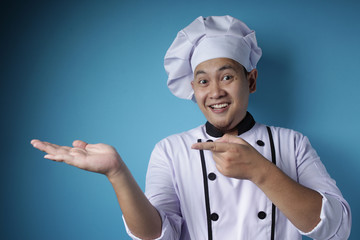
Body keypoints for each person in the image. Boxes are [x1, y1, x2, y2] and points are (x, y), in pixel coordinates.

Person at [31, 15, 351, 239]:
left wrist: (262, 172)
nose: (215, 92)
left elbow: (337, 228)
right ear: (193, 90)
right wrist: (117, 173)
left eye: (227, 76)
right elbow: (156, 235)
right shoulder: (171, 151)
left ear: (250, 81)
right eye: (202, 81)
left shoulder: (291, 144)